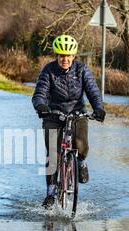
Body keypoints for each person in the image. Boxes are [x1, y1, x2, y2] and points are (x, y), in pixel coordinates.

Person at [32, 34, 106, 208]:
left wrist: (98, 108)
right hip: (53, 114)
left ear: (74, 56)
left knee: (81, 145)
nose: (64, 59)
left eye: (68, 56)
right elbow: (39, 93)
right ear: (57, 56)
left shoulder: (82, 70)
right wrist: (41, 106)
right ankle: (50, 192)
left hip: (77, 113)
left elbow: (93, 91)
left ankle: (80, 162)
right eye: (61, 55)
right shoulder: (48, 70)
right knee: (53, 155)